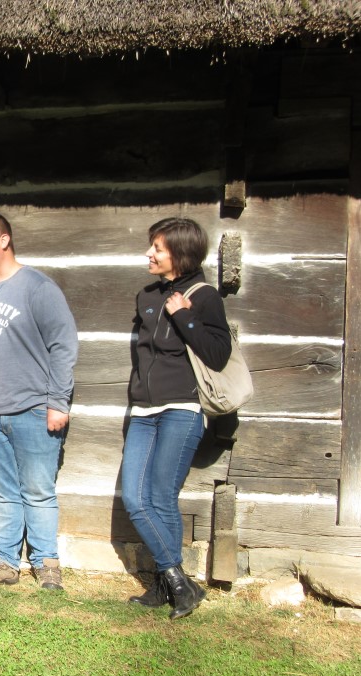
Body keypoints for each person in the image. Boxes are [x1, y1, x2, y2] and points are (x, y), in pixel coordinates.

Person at [0, 211, 78, 590]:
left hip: (34, 409)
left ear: (4, 240)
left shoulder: (38, 287)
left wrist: (58, 402)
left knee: (39, 491)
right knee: (3, 492)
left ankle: (46, 563)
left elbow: (63, 346)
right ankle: (4, 560)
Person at [123, 217, 230, 619]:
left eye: (158, 248)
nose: (149, 254)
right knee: (136, 498)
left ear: (181, 254)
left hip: (182, 409)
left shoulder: (205, 297)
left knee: (161, 498)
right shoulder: (146, 295)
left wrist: (185, 316)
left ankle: (168, 583)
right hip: (143, 411)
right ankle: (178, 583)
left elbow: (217, 355)